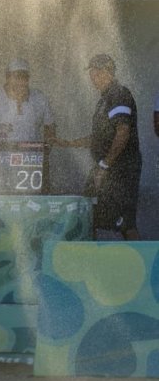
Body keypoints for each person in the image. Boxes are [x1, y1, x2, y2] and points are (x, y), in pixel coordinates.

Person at [53, 54, 141, 241]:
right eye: (92, 74)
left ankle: (147, 267)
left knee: (125, 223)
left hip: (122, 169)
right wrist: (70, 143)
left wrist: (104, 166)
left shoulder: (118, 94)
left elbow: (122, 132)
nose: (93, 78)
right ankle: (89, 257)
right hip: (105, 167)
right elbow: (100, 138)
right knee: (88, 214)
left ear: (108, 73)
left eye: (97, 73)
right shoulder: (104, 100)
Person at [0, 58, 55, 143]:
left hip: (31, 154)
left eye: (24, 77)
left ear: (28, 78)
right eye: (16, 76)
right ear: (7, 77)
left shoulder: (39, 98)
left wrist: (45, 152)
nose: (20, 81)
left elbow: (50, 128)